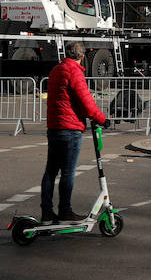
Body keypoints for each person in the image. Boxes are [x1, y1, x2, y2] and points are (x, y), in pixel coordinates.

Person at [40, 42, 110, 223]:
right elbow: (86, 101)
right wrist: (103, 119)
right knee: (68, 172)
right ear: (81, 56)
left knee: (50, 171)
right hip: (70, 128)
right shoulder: (75, 72)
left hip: (54, 126)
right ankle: (65, 210)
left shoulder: (57, 70)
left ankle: (47, 212)